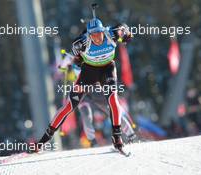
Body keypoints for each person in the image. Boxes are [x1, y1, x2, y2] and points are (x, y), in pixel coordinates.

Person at [33, 10, 132, 152]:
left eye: (99, 34)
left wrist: (127, 35)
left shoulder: (112, 33)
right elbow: (72, 56)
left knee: (113, 100)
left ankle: (117, 136)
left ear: (103, 31)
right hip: (88, 73)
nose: (97, 38)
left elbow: (124, 29)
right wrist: (73, 62)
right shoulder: (82, 42)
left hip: (107, 70)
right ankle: (42, 141)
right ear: (88, 35)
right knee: (68, 107)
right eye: (93, 36)